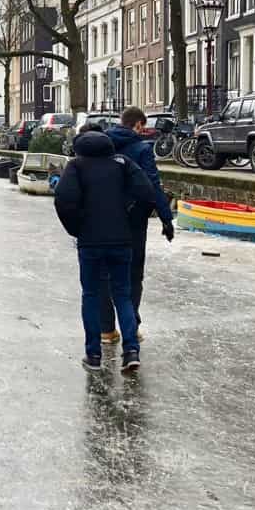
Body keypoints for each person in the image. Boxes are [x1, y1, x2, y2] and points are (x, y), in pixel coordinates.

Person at [54, 128, 155, 373]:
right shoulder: (122, 163)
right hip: (121, 240)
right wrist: (130, 221)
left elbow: (63, 200)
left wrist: (77, 228)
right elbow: (146, 193)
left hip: (90, 242)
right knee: (123, 294)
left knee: (91, 294)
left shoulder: (76, 167)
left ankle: (93, 355)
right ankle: (131, 350)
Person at [98, 107, 176, 344]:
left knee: (104, 275)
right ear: (139, 125)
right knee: (132, 274)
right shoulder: (142, 149)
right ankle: (132, 327)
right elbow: (152, 185)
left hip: (102, 219)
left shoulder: (102, 146)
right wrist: (166, 217)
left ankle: (107, 330)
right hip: (133, 221)